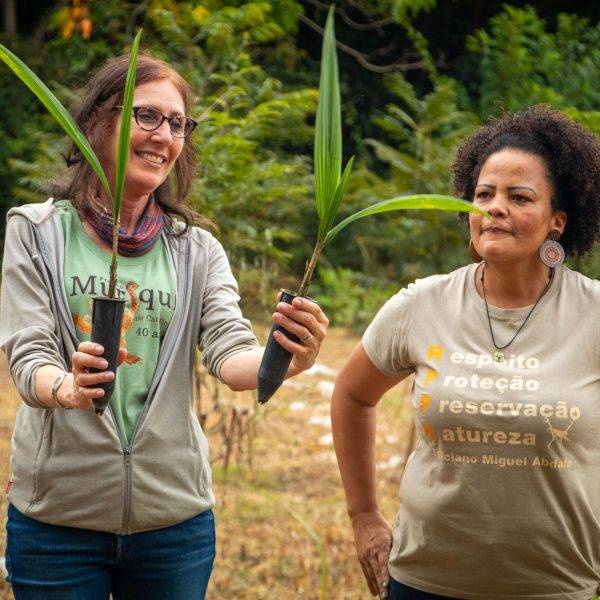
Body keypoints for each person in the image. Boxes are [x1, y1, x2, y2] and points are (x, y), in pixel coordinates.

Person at [0, 53, 329, 599]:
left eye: (177, 123)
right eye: (146, 115)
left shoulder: (196, 250)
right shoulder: (36, 231)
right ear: (97, 122)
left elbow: (230, 355)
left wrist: (287, 357)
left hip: (173, 524)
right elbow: (28, 357)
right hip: (58, 521)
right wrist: (69, 388)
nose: (163, 136)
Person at [331, 105, 600, 600]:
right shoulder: (422, 304)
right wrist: (364, 516)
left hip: (556, 585)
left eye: (519, 197)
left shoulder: (594, 314)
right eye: (483, 194)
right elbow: (352, 395)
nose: (495, 207)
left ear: (557, 222)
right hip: (423, 581)